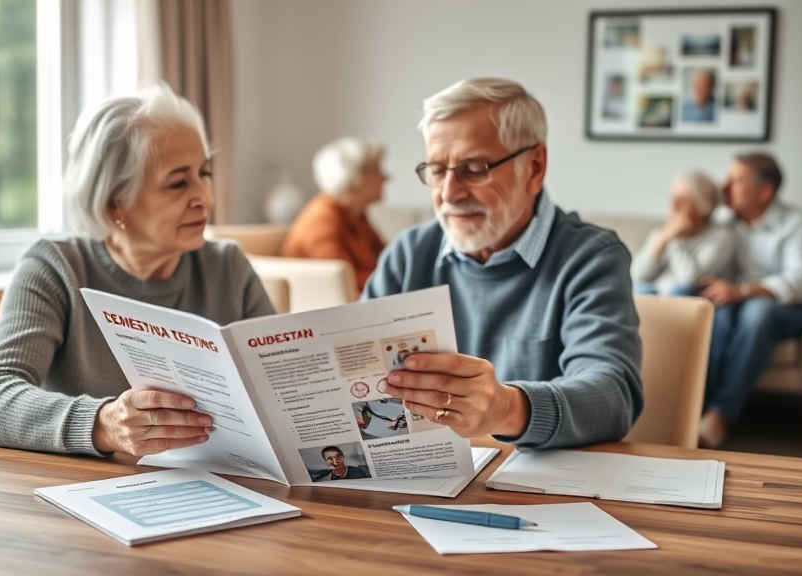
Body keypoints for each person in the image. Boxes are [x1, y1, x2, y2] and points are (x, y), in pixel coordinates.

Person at [0, 84, 275, 457]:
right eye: (178, 183)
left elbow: (277, 389)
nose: (205, 197)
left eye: (204, 173)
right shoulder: (56, 267)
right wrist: (104, 424)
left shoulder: (228, 266)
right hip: (79, 493)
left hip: (220, 486)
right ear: (115, 205)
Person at [365, 78, 643, 449]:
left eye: (474, 168)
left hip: (538, 492)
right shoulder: (408, 253)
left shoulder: (591, 257)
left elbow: (612, 395)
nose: (449, 193)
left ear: (534, 167)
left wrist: (507, 409)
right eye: (436, 170)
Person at [697, 153, 802, 448]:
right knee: (717, 312)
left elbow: (800, 281)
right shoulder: (725, 223)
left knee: (757, 312)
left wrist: (743, 291)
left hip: (796, 307)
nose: (724, 186)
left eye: (735, 180)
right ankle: (698, 406)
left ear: (764, 191)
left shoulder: (798, 223)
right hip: (740, 302)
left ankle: (720, 414)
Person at [281, 137, 388, 292]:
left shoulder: (356, 214)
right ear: (354, 178)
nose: (386, 178)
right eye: (377, 170)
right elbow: (344, 282)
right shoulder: (321, 219)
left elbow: (387, 256)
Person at [631, 171, 735, 296]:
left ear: (703, 207)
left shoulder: (720, 237)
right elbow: (636, 276)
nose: (673, 205)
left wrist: (674, 238)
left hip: (692, 297)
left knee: (679, 291)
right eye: (672, 197)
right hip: (659, 294)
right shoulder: (662, 232)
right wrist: (661, 241)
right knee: (641, 290)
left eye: (682, 200)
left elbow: (689, 280)